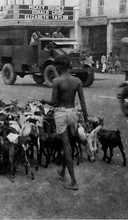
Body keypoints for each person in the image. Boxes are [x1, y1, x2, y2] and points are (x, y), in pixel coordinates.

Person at [40, 55, 88, 191]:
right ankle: (62, 171)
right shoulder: (77, 81)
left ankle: (73, 182)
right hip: (73, 113)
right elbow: (83, 102)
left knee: (66, 146)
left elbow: (54, 102)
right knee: (70, 144)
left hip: (61, 114)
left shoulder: (56, 81)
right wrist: (86, 118)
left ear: (59, 67)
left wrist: (44, 101)